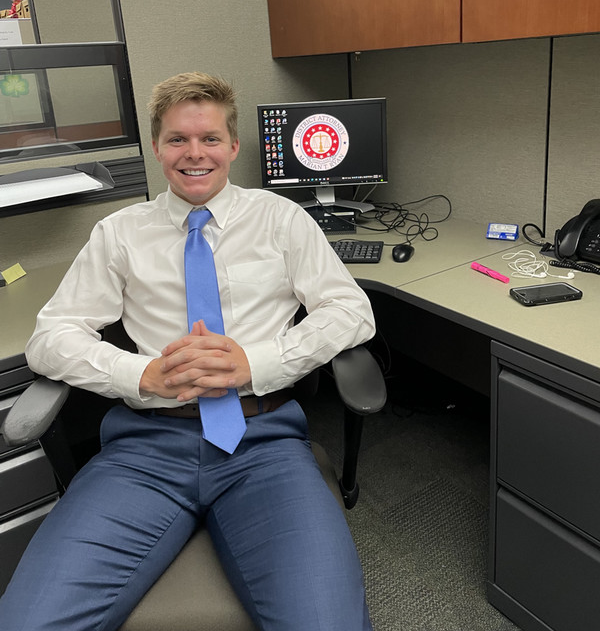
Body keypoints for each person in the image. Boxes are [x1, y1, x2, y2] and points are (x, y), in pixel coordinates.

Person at [0, 72, 376, 630]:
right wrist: (141, 374)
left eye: (209, 139)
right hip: (145, 449)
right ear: (156, 147)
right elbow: (51, 339)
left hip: (264, 445)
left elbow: (352, 311)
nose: (194, 154)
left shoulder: (280, 219)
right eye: (177, 139)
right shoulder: (119, 233)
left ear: (233, 146)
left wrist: (260, 361)